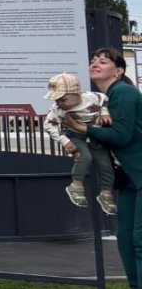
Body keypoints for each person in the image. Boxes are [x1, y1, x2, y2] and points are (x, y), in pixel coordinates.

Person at [65, 48, 142, 289]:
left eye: (104, 61)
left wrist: (83, 130)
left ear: (118, 70)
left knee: (139, 239)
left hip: (139, 173)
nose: (96, 63)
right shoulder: (102, 99)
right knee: (125, 238)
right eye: (93, 60)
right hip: (130, 178)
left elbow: (121, 136)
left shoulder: (123, 93)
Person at [43, 72, 114, 214]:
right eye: (56, 100)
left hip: (95, 135)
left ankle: (106, 193)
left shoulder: (92, 98)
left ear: (76, 94)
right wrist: (65, 141)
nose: (59, 103)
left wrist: (104, 112)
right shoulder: (58, 110)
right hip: (75, 135)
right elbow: (48, 125)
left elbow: (104, 99)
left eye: (62, 99)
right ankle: (76, 186)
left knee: (105, 164)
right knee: (84, 157)